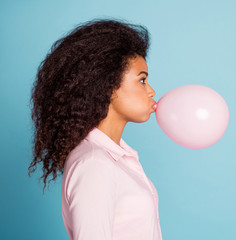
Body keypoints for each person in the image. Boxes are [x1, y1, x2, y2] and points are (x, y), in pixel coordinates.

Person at [28, 18, 162, 240]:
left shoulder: (115, 157)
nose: (151, 91)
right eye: (142, 80)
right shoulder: (95, 163)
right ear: (107, 85)